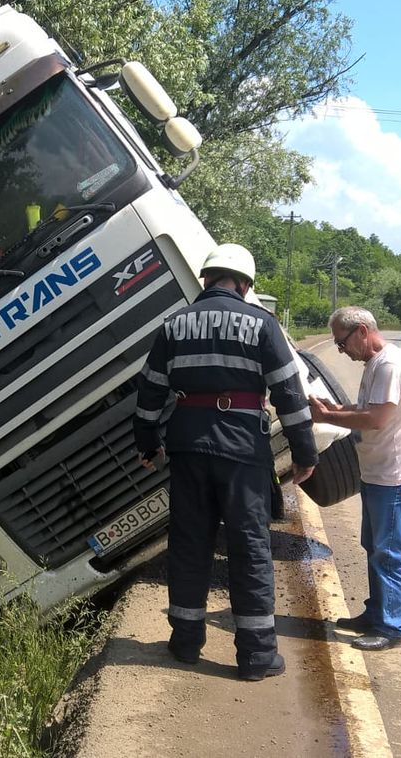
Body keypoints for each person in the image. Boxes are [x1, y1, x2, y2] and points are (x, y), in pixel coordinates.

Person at [134, 243, 317, 681]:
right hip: (241, 452)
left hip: (188, 449)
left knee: (190, 543)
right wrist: (305, 451)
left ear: (206, 278)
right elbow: (290, 394)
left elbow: (150, 394)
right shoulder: (263, 324)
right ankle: (256, 657)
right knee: (249, 547)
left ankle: (185, 643)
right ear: (246, 284)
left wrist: (147, 444)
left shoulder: (173, 325)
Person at [308, 306, 401, 651]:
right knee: (375, 548)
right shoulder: (376, 364)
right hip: (379, 474)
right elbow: (365, 410)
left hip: (395, 477)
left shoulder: (389, 366)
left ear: (362, 331)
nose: (341, 350)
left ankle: (391, 629)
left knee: (388, 553)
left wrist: (330, 415)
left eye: (342, 342)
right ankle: (376, 612)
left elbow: (375, 419)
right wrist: (331, 411)